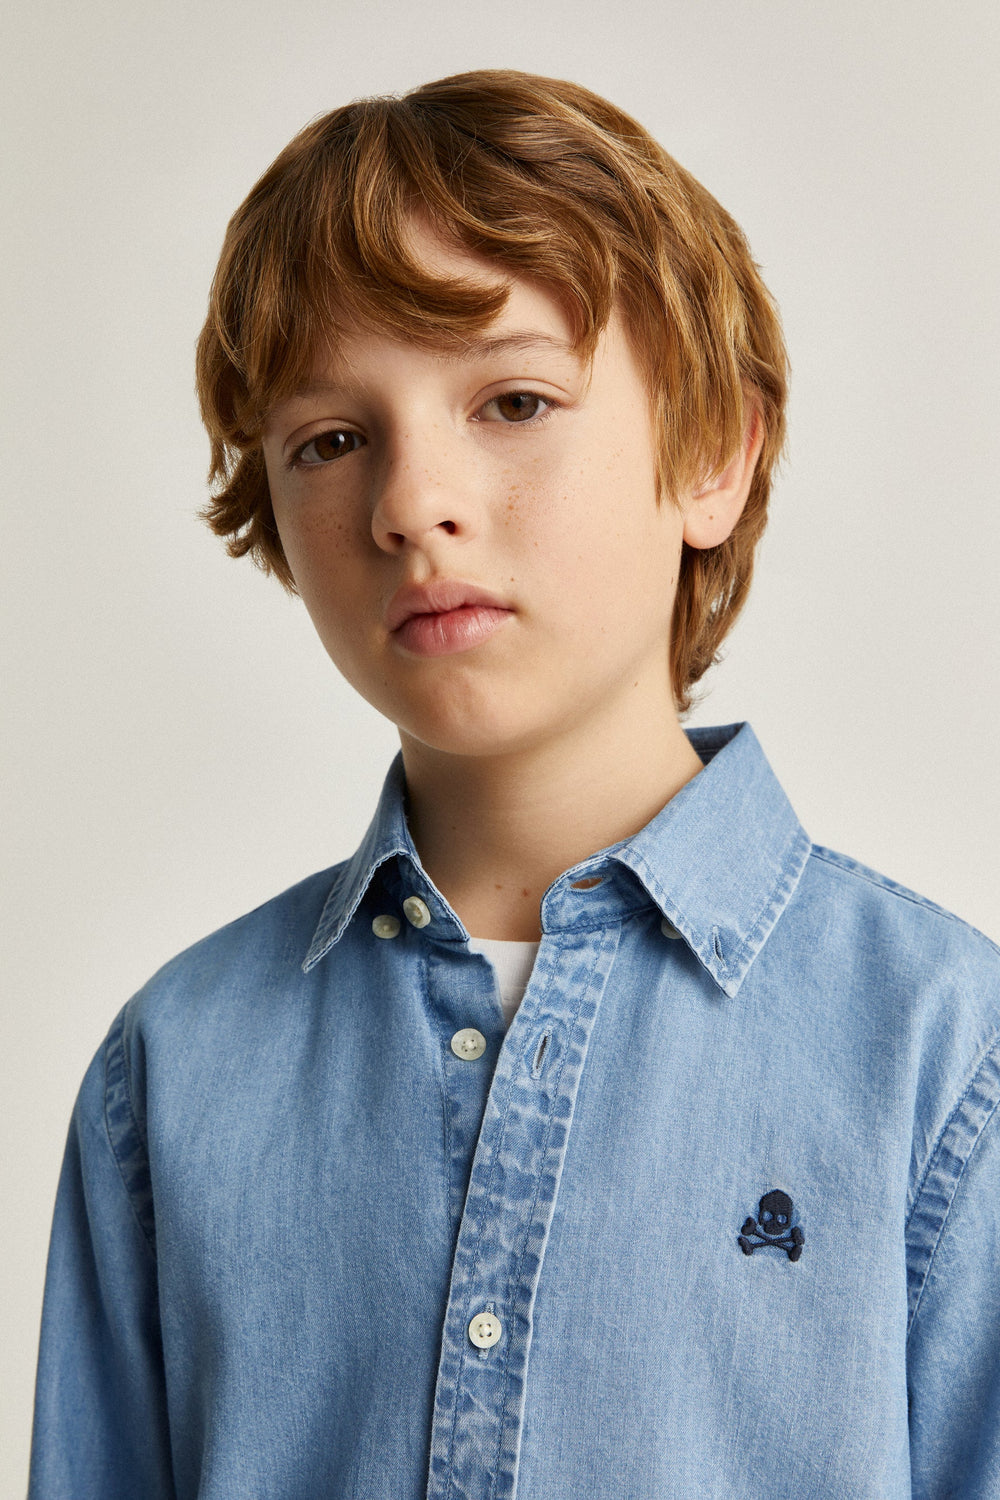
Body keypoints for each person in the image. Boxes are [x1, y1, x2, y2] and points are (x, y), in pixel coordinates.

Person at [28, 69, 1000, 1500]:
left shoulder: (944, 1055)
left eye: (516, 400)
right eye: (331, 440)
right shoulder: (172, 1072)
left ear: (713, 455)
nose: (411, 503)